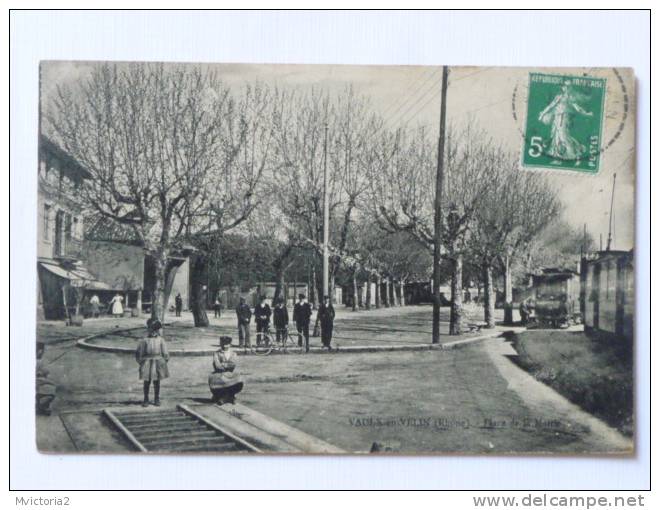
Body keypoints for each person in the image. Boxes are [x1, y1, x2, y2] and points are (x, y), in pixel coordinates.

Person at [135, 319, 170, 407]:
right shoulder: (145, 340)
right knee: (146, 381)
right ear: (148, 329)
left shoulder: (161, 340)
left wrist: (163, 361)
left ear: (157, 331)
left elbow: (165, 353)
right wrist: (141, 362)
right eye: (151, 329)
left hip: (157, 361)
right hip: (147, 361)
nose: (153, 332)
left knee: (156, 382)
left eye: (155, 330)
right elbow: (140, 352)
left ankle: (156, 398)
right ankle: (146, 398)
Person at [208, 336, 244, 404]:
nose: (224, 346)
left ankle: (228, 396)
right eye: (222, 344)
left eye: (226, 344)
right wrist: (226, 365)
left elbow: (233, 364)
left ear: (230, 344)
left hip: (229, 373)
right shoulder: (217, 353)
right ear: (220, 344)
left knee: (239, 379)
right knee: (214, 378)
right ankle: (224, 396)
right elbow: (217, 365)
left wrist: (223, 364)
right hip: (219, 373)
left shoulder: (233, 353)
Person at [36, 342, 56, 416]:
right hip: (37, 385)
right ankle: (42, 406)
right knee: (51, 387)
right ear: (40, 351)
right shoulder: (39, 362)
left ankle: (39, 404)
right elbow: (46, 372)